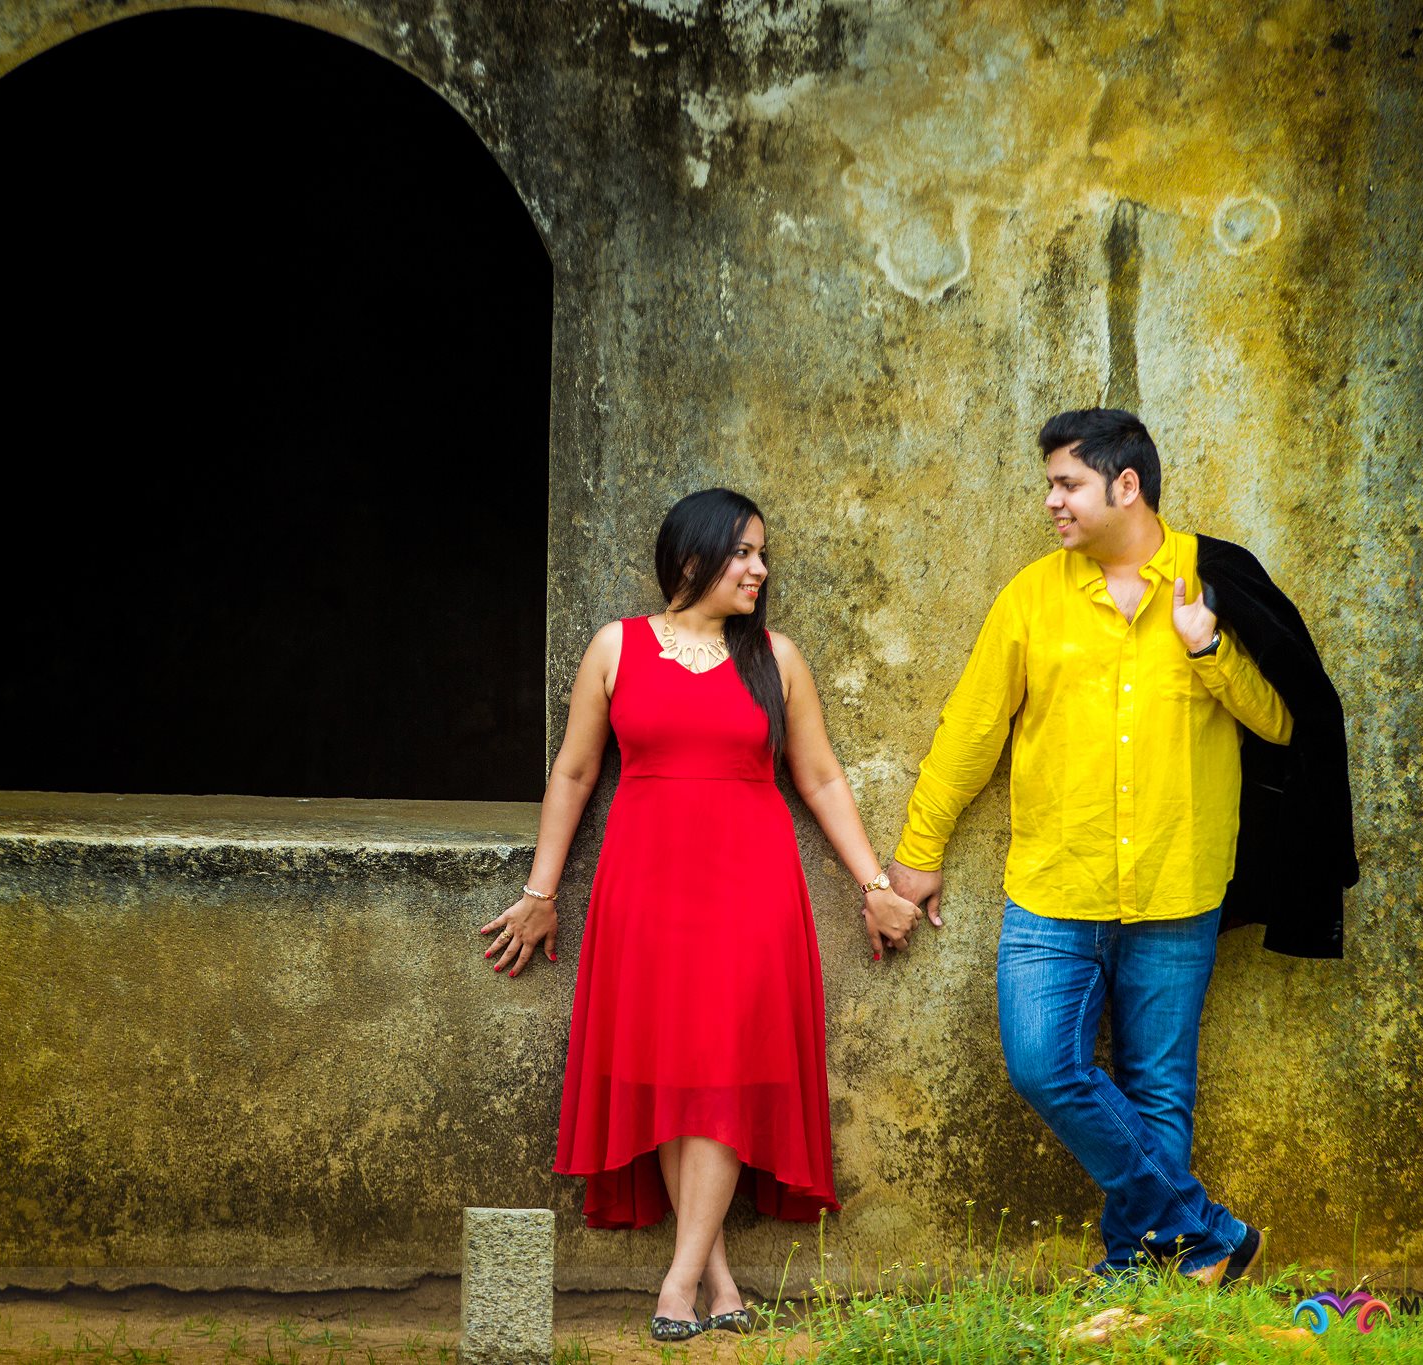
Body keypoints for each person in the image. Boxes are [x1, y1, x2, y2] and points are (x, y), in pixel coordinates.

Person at [482, 488, 921, 1342]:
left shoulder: (777, 658)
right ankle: (716, 1278)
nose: (759, 569)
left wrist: (874, 883)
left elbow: (821, 777)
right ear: (691, 559)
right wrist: (542, 894)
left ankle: (676, 1284)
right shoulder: (615, 646)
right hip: (643, 891)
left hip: (751, 893)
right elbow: (573, 775)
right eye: (744, 552)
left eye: (764, 555)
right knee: (675, 1080)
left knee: (720, 1072)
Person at [887, 408, 1295, 1285]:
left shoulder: (1211, 578)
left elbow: (1284, 720)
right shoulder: (1033, 595)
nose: (1051, 502)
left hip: (1177, 884)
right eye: (1050, 485)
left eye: (1066, 483)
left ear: (1125, 485)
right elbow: (971, 730)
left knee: (1158, 1094)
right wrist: (917, 849)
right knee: (1042, 1064)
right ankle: (1208, 1229)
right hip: (1054, 887)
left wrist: (1210, 648)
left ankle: (1138, 1273)